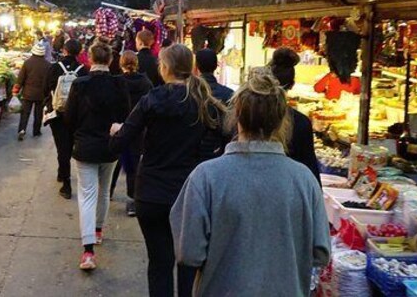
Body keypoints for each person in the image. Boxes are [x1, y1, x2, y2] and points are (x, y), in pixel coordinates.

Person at [170, 68, 331, 297]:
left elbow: (189, 253)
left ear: (237, 116)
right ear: (281, 121)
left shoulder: (206, 177)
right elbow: (321, 253)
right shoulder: (304, 180)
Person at [109, 44, 227, 297]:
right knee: (187, 262)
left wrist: (117, 130)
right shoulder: (204, 102)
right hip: (189, 194)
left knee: (159, 263)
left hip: (151, 192)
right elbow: (226, 139)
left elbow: (120, 143)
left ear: (165, 68)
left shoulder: (151, 100)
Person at [65, 41, 131, 271]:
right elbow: (126, 114)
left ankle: (88, 250)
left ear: (89, 59)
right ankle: (99, 230)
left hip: (84, 146)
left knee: (87, 195)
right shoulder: (119, 84)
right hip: (110, 147)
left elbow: (70, 118)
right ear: (111, 60)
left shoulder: (80, 84)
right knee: (104, 192)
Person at [110, 50, 153, 217]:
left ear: (121, 63)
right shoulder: (145, 82)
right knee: (133, 165)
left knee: (115, 162)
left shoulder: (117, 82)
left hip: (119, 127)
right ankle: (132, 201)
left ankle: (109, 190)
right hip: (138, 129)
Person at [269, 48, 321, 183]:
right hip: (291, 190)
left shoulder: (251, 116)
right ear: (292, 85)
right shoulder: (301, 122)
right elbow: (311, 171)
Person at [44, 38, 87, 200]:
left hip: (58, 114)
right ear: (79, 52)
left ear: (64, 50)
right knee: (70, 145)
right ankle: (63, 173)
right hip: (76, 116)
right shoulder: (84, 70)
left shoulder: (54, 68)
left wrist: (49, 107)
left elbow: (45, 89)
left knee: (62, 147)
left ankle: (66, 183)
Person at [14, 42, 51, 141]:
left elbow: (21, 79)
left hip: (27, 93)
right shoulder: (48, 65)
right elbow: (49, 81)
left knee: (25, 112)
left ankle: (22, 129)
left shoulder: (27, 63)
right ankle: (36, 131)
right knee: (38, 113)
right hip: (41, 94)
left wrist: (16, 90)